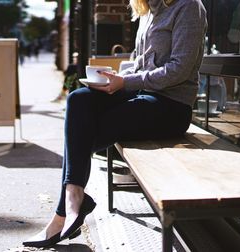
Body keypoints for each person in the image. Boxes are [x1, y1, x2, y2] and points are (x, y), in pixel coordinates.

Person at [23, 0, 207, 247]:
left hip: (171, 107)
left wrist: (124, 82)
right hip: (143, 94)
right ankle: (73, 198)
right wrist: (112, 78)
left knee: (81, 133)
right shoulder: (149, 8)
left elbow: (179, 69)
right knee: (78, 100)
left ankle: (63, 214)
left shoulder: (188, 6)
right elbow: (140, 62)